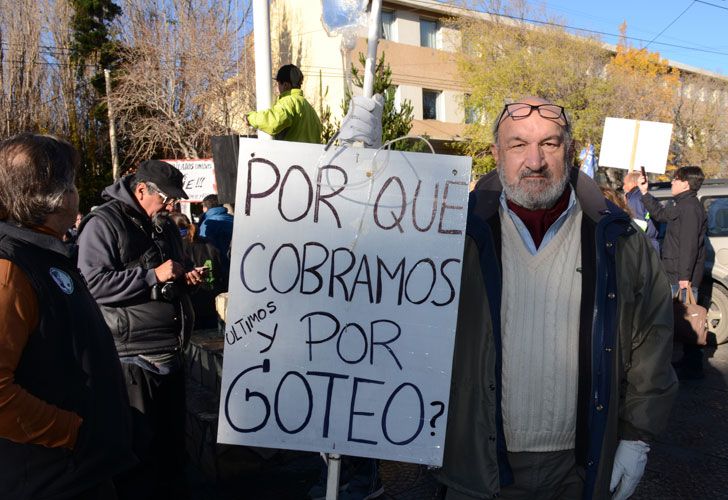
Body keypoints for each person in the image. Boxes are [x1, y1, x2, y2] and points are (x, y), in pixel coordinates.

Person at [432, 97, 677, 499]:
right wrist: (361, 165)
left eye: (549, 144)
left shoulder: (620, 241)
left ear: (570, 148)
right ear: (496, 154)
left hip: (578, 469)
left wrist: (637, 436)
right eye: (517, 145)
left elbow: (651, 338)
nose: (534, 160)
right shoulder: (454, 236)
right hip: (478, 464)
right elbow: (384, 283)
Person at [0, 133, 136, 498]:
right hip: (52, 479)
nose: (78, 194)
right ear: (53, 195)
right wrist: (72, 431)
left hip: (80, 471)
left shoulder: (42, 254)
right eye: (73, 183)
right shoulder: (10, 267)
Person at [77, 159, 205, 498]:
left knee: (170, 450)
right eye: (166, 197)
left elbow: (172, 272)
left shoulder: (163, 225)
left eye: (175, 198)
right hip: (133, 360)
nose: (172, 205)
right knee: (140, 456)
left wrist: (186, 277)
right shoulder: (103, 224)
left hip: (173, 353)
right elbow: (91, 283)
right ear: (141, 190)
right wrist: (153, 276)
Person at [639, 166, 707, 379]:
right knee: (682, 318)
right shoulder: (682, 204)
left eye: (675, 180)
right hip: (676, 272)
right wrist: (644, 192)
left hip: (681, 276)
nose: (672, 183)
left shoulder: (689, 208)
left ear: (686, 183)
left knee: (688, 318)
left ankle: (693, 368)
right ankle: (689, 362)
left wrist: (684, 277)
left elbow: (689, 245)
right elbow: (660, 214)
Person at [170, 212, 228, 329]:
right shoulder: (209, 243)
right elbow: (222, 270)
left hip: (191, 307)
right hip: (213, 304)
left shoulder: (176, 248)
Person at [245, 63, 323, 143]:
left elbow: (274, 121)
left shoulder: (288, 101)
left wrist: (250, 118)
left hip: (293, 155)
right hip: (313, 155)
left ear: (285, 85)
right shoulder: (310, 109)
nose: (277, 88)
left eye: (278, 84)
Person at [623, 171, 660, 252]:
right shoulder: (648, 198)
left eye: (625, 183)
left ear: (633, 183)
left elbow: (639, 224)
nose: (623, 187)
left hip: (643, 245)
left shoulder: (634, 199)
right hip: (652, 244)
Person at [199, 193, 234, 261]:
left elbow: (204, 246)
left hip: (219, 261)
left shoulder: (208, 222)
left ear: (205, 207)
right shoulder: (232, 218)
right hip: (234, 259)